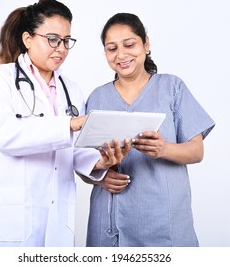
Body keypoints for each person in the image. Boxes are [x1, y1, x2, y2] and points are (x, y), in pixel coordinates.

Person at [0, 0, 130, 247]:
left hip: (56, 223)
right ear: (28, 39)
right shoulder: (0, 80)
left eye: (66, 41)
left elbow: (75, 152)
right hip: (10, 219)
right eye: (52, 39)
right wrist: (68, 124)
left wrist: (102, 161)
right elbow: (3, 136)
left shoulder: (72, 90)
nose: (61, 48)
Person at [84, 13, 215, 247]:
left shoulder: (171, 87)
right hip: (109, 221)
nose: (121, 55)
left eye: (129, 44)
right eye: (111, 48)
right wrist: (99, 178)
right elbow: (81, 161)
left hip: (162, 220)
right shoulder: (97, 98)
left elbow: (197, 151)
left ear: (146, 43)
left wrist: (163, 149)